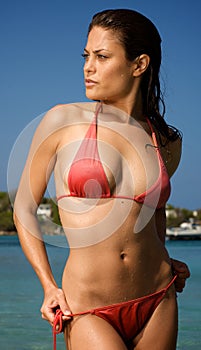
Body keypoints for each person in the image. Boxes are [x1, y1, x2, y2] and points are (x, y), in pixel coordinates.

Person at [13, 9, 190, 350]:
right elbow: (23, 208)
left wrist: (165, 256)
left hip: (158, 298)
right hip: (88, 308)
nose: (88, 67)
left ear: (138, 65)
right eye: (86, 55)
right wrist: (49, 286)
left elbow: (154, 214)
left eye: (102, 56)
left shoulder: (166, 141)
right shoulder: (62, 120)